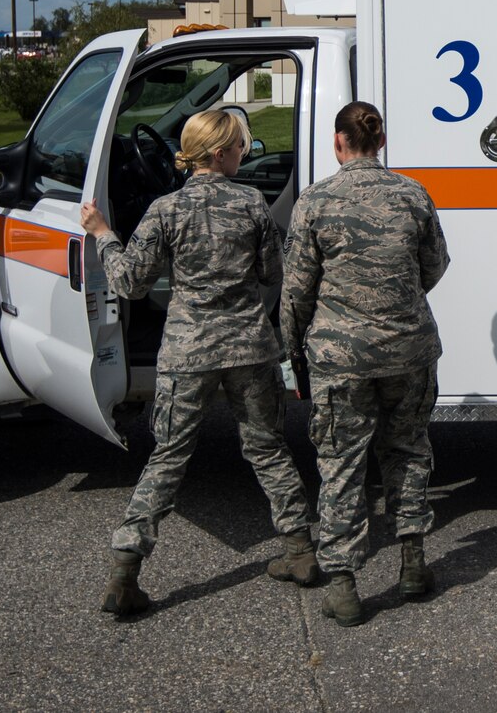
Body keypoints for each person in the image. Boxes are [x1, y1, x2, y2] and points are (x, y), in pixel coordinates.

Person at [80, 108, 319, 617]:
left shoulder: (164, 210)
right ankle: (299, 552)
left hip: (187, 352)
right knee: (269, 450)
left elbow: (128, 282)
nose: (244, 153)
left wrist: (103, 233)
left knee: (168, 457)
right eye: (238, 146)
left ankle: (125, 570)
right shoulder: (253, 202)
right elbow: (271, 272)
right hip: (249, 347)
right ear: (218, 153)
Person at [283, 101, 449, 628]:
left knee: (341, 465)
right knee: (408, 451)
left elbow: (296, 291)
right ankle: (414, 564)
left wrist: (292, 350)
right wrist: (393, 303)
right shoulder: (412, 193)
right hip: (409, 350)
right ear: (380, 141)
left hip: (341, 356)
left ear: (339, 142)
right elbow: (435, 265)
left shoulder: (314, 200)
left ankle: (343, 586)